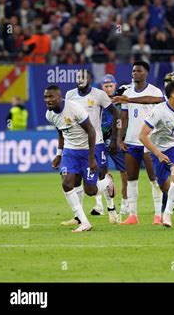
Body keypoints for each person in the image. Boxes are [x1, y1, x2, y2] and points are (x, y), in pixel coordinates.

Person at [44, 85, 114, 232]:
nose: (48, 100)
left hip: (86, 151)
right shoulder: (50, 115)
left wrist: (91, 157)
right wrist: (59, 154)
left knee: (91, 190)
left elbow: (91, 131)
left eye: (51, 97)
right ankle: (84, 222)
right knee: (67, 183)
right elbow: (61, 133)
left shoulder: (74, 108)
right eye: (46, 97)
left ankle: (107, 181)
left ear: (59, 97)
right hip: (70, 151)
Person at [62, 69, 120, 225]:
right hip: (75, 145)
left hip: (96, 142)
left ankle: (107, 181)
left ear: (90, 79)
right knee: (74, 181)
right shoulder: (69, 95)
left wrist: (115, 139)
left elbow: (115, 113)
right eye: (78, 77)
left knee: (91, 188)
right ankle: (78, 217)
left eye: (84, 77)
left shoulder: (99, 95)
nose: (80, 80)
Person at [113, 60, 166, 225]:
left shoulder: (155, 91)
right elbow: (123, 117)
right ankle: (132, 215)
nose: (135, 73)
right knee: (131, 178)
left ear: (146, 73)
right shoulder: (127, 92)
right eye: (133, 71)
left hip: (149, 142)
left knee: (154, 178)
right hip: (131, 141)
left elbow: (160, 109)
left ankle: (158, 215)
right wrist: (119, 138)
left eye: (138, 71)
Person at [138, 80, 174, 227]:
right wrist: (158, 154)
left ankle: (167, 215)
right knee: (163, 186)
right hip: (157, 150)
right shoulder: (159, 111)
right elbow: (142, 136)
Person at [100, 74, 130, 214]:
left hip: (117, 140)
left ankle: (125, 203)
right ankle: (100, 205)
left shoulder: (121, 99)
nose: (108, 88)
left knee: (125, 173)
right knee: (99, 173)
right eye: (105, 86)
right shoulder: (98, 100)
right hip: (100, 140)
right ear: (102, 87)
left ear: (115, 85)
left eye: (110, 86)